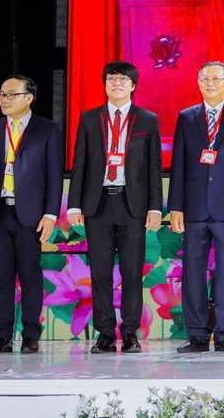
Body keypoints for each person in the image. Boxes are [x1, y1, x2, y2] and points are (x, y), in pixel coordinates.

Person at [67, 61, 163, 354]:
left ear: (133, 85)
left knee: (133, 272)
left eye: (123, 80)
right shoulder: (89, 118)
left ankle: (131, 331)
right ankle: (105, 332)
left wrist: (155, 208)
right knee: (100, 272)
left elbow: (153, 167)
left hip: (132, 204)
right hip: (98, 205)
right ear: (104, 84)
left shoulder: (147, 119)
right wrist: (74, 206)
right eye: (111, 79)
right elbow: (80, 164)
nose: (117, 84)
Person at [0, 75, 63, 354]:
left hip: (30, 216)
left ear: (29, 97)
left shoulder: (47, 130)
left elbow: (54, 177)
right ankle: (2, 336)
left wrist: (50, 214)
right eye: (1, 94)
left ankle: (31, 334)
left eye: (11, 94)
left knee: (30, 275)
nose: (4, 100)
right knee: (2, 276)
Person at [169, 61, 224, 353]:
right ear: (197, 82)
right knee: (192, 272)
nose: (210, 83)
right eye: (205, 78)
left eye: (216, 79)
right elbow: (178, 165)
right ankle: (196, 334)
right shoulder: (186, 117)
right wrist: (176, 207)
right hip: (193, 208)